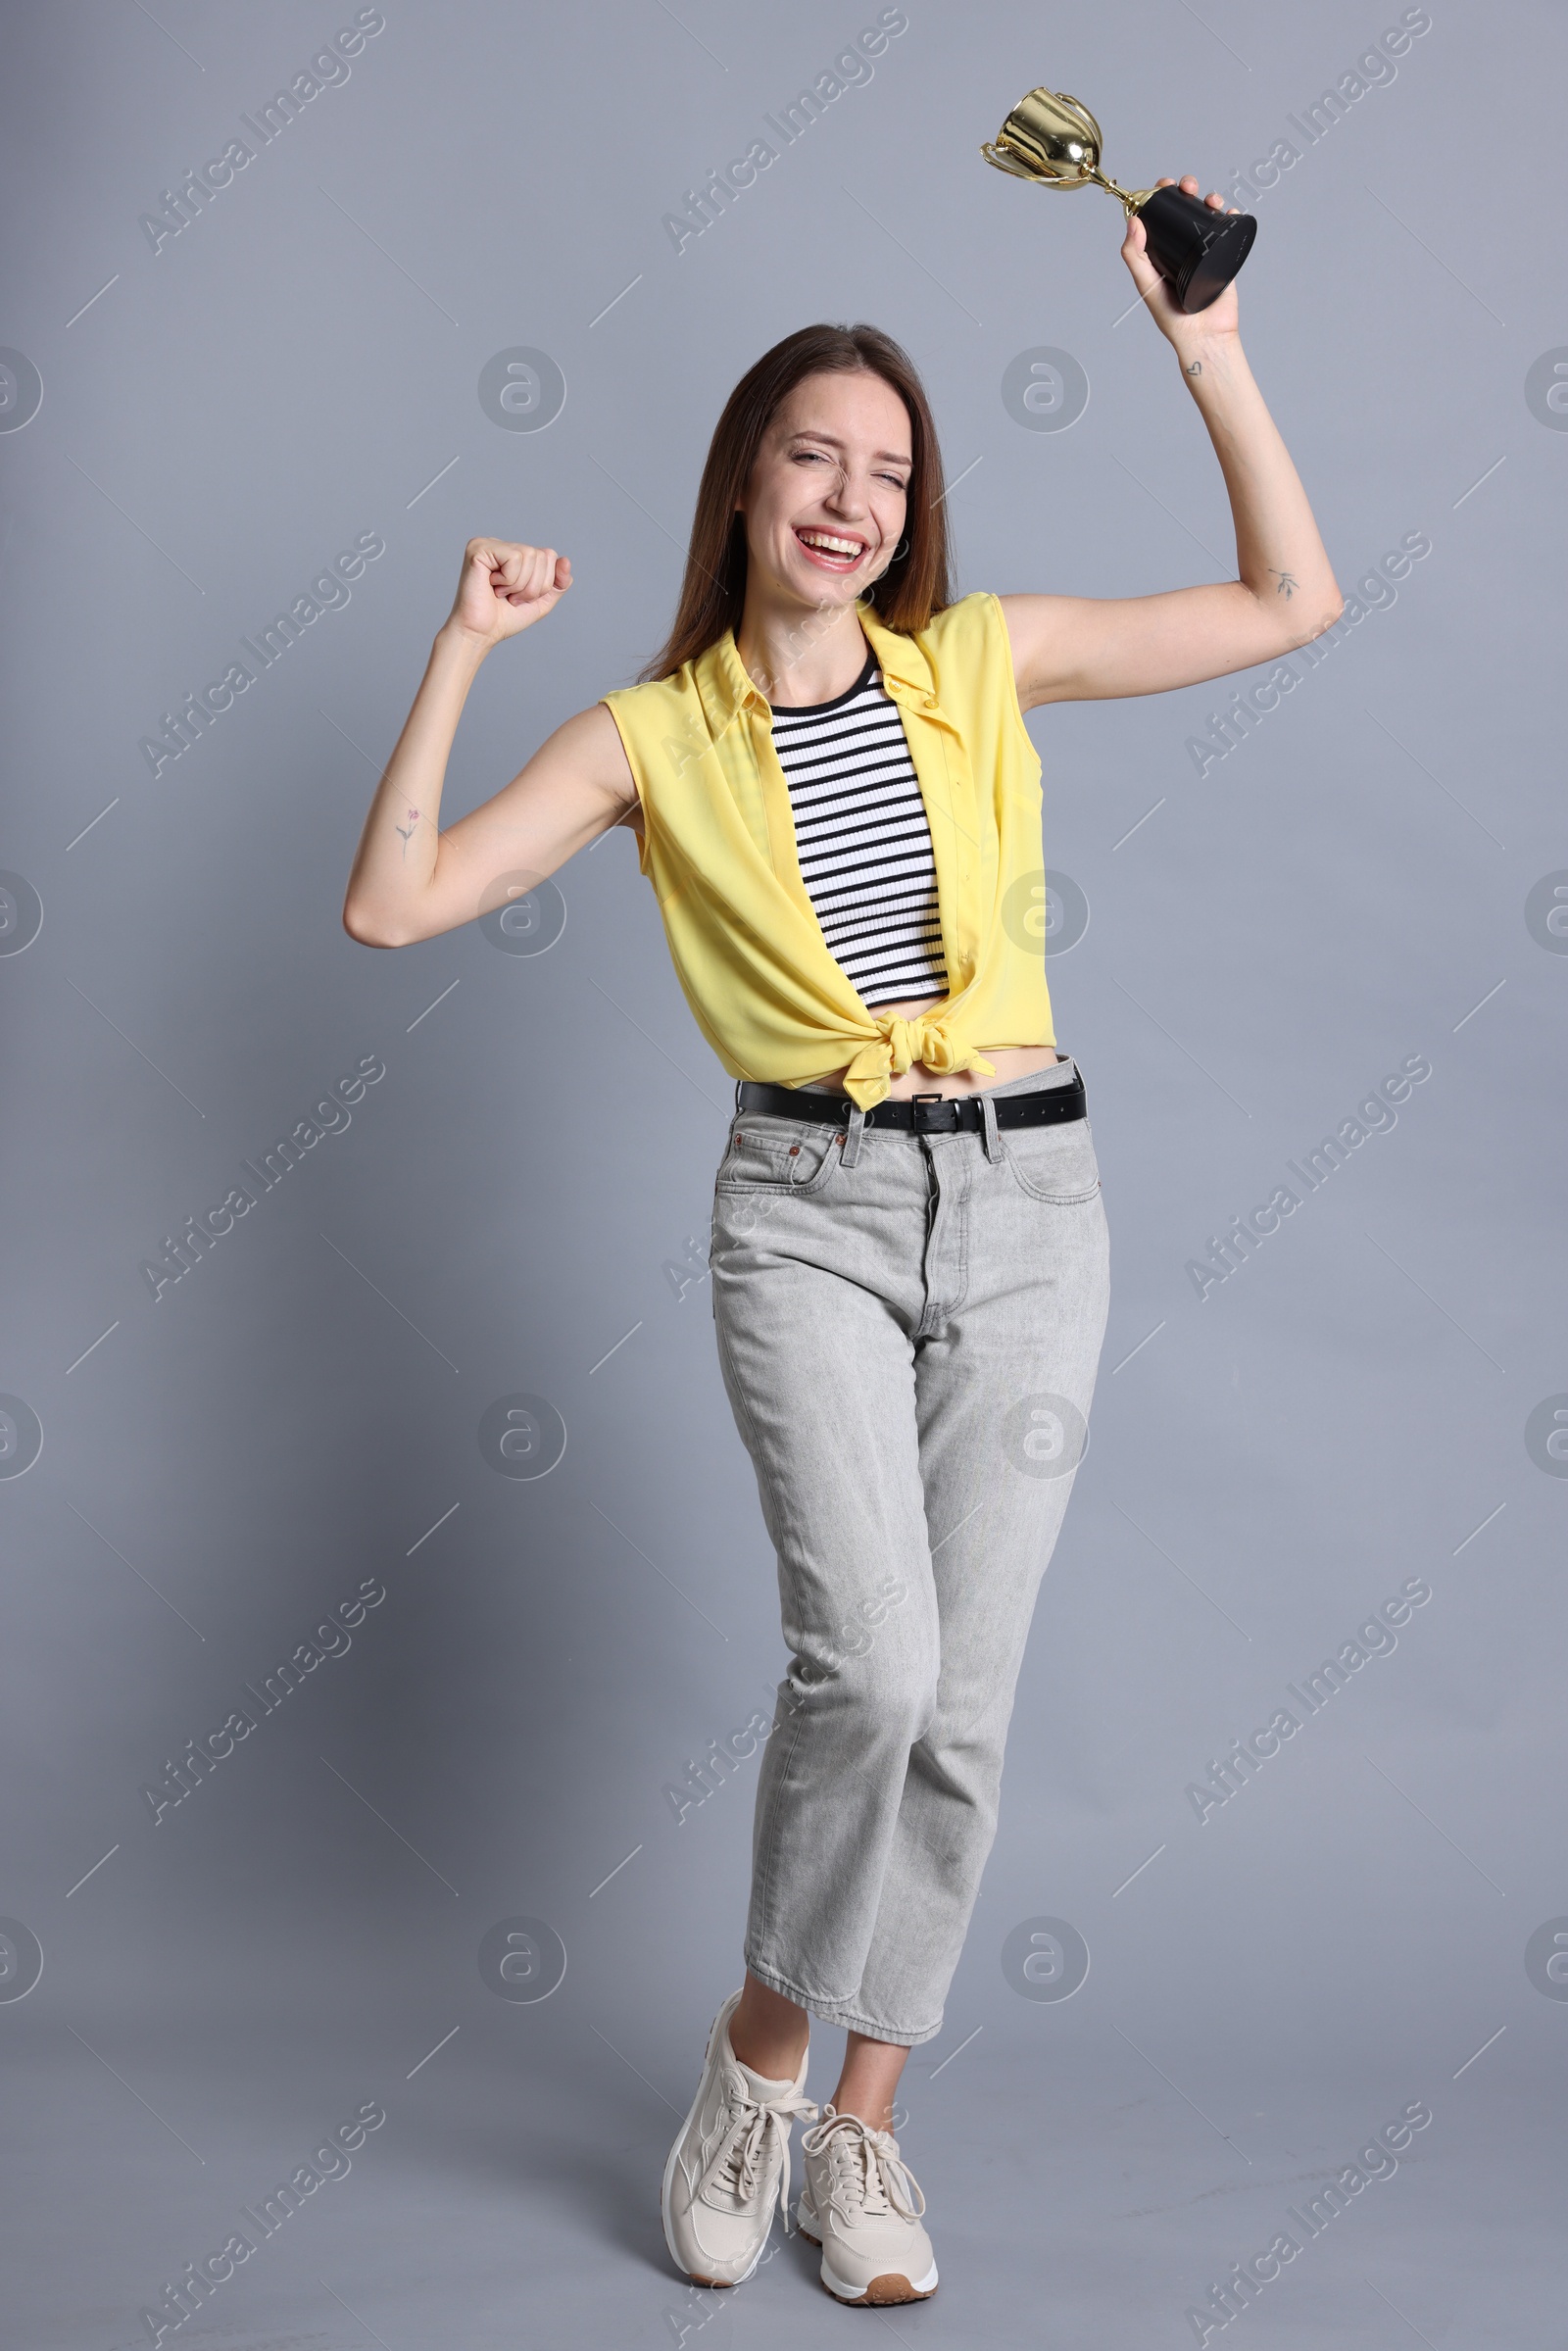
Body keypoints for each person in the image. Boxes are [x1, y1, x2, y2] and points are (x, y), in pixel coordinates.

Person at [342, 174, 1343, 2310]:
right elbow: (394, 903)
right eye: (815, 452)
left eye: (890, 472)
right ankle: (756, 2061)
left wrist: (1204, 351)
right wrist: (461, 648)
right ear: (742, 477)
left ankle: (860, 2141)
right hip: (802, 1208)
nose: (853, 497)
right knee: (867, 1664)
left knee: (963, 1706)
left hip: (1031, 1202)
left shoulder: (978, 665)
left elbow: (1284, 601)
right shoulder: (648, 738)